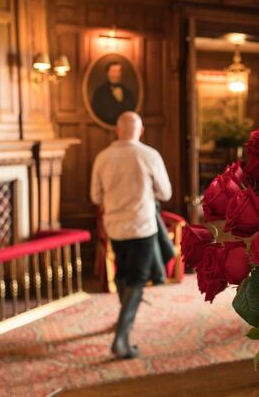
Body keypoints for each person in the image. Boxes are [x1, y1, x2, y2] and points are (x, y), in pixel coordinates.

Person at [90, 112, 172, 359]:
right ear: (141, 130)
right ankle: (121, 339)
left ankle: (122, 324)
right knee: (137, 278)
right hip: (142, 226)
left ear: (117, 130)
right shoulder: (148, 155)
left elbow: (95, 196)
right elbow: (165, 193)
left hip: (115, 226)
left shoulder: (103, 157)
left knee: (124, 274)